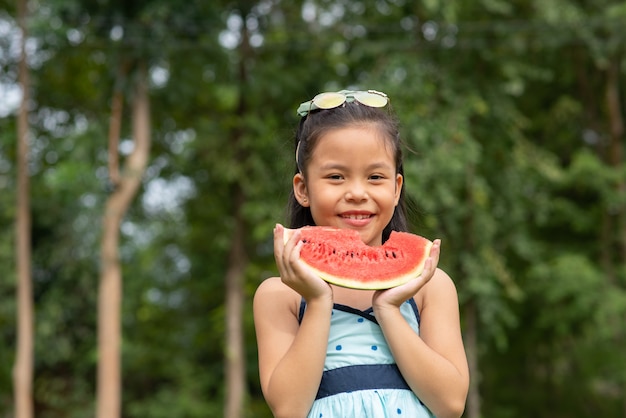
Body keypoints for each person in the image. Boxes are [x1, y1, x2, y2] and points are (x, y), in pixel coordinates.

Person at [253, 89, 469, 418]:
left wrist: (389, 309)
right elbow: (288, 409)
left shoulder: (429, 285)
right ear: (303, 189)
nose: (357, 193)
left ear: (396, 189)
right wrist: (318, 302)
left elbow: (451, 404)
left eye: (375, 177)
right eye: (336, 177)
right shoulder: (280, 294)